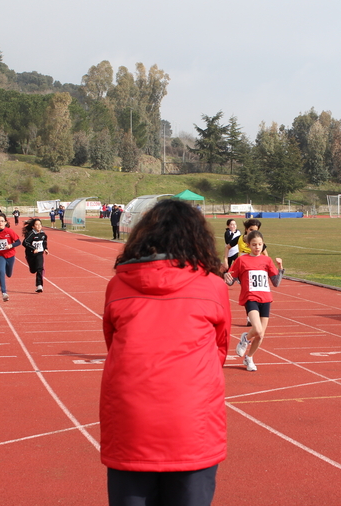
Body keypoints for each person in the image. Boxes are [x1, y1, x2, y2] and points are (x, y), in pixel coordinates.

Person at [100, 199, 230, 506]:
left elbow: (112, 343)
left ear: (142, 237)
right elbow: (219, 348)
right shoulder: (213, 286)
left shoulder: (118, 285)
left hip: (130, 423)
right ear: (197, 238)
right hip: (193, 423)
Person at [225, 230, 284, 372]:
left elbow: (276, 282)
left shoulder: (267, 260)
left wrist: (281, 268)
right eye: (254, 245)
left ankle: (249, 358)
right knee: (256, 329)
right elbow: (231, 281)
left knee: (261, 334)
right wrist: (226, 277)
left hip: (266, 299)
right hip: (250, 298)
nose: (257, 247)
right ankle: (245, 338)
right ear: (248, 245)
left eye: (260, 244)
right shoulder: (241, 260)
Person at [22, 218, 48, 293]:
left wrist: (45, 248)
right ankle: (32, 268)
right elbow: (25, 243)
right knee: (33, 270)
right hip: (30, 254)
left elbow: (44, 242)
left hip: (39, 253)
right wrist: (33, 248)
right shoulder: (31, 234)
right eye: (36, 224)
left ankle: (39, 285)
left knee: (40, 268)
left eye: (40, 224)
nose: (39, 226)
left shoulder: (43, 234)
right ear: (33, 226)